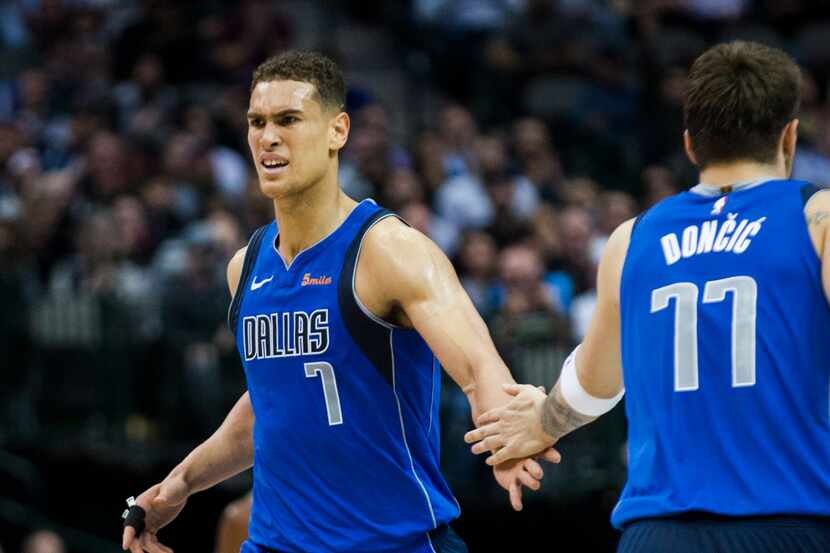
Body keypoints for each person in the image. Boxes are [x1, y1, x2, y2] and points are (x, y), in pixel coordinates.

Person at [121, 50, 557, 553]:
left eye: (288, 120)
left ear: (338, 131)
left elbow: (480, 368)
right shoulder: (245, 266)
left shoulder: (387, 249)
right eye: (257, 122)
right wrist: (180, 483)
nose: (268, 137)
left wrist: (508, 428)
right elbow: (271, 404)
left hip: (393, 544)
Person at [464, 40, 830, 552]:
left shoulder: (632, 238)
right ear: (789, 137)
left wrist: (542, 421)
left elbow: (596, 384)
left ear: (689, 145)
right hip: (790, 522)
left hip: (660, 533)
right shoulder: (818, 218)